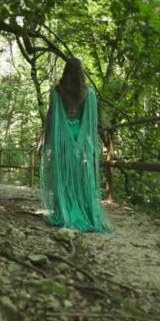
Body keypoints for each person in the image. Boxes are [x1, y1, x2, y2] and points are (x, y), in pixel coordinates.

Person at [38, 57, 109, 233]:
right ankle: (83, 209)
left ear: (65, 70)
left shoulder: (58, 92)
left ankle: (64, 210)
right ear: (81, 72)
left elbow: (52, 118)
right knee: (81, 175)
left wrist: (45, 140)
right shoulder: (89, 93)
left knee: (62, 173)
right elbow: (90, 121)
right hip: (81, 136)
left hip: (62, 136)